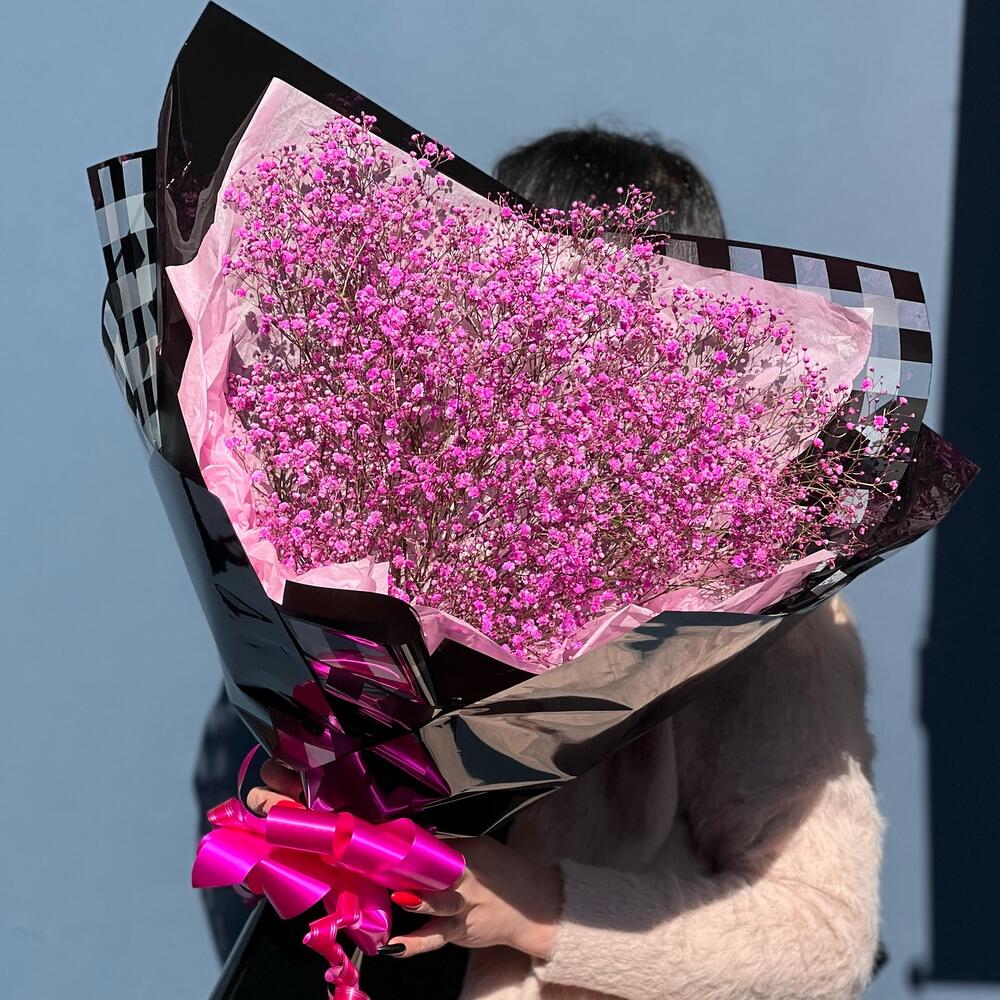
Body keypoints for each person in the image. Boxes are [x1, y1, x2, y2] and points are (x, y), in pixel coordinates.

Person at [222, 127, 885, 999]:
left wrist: (537, 910)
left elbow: (826, 942)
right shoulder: (387, 505)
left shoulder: (755, 596)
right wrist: (315, 792)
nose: (561, 334)